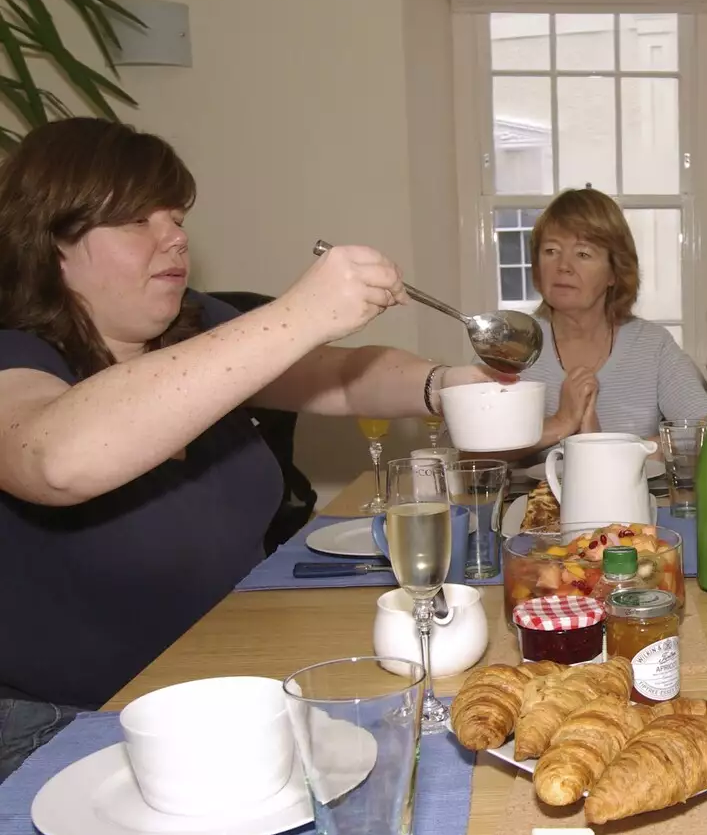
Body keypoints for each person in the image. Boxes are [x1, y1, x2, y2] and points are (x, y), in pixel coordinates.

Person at [0, 118, 497, 782]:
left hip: (233, 686)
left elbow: (340, 380)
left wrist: (446, 386)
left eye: (175, 215)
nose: (174, 235)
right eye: (137, 221)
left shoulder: (191, 328)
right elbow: (54, 459)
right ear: (50, 241)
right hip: (74, 733)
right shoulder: (15, 356)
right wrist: (301, 312)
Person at [515, 188, 707, 448]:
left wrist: (607, 448)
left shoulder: (652, 346)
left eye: (583, 254)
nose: (563, 266)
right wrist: (561, 422)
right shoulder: (512, 343)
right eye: (551, 251)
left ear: (613, 273)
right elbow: (466, 449)